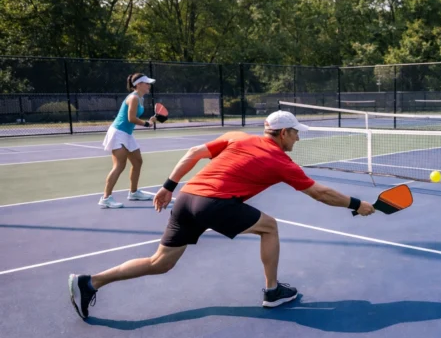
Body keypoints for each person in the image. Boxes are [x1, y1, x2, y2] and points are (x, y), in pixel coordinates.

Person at [68, 110, 376, 320]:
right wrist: (356, 204)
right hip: (213, 203)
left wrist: (168, 187)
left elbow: (192, 153)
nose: (297, 139)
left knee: (160, 263)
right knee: (270, 227)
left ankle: (91, 282)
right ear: (283, 133)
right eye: (296, 134)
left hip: (187, 198)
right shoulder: (281, 161)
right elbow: (320, 193)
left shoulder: (237, 136)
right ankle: (272, 291)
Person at [98, 73, 159, 208]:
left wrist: (149, 121)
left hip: (127, 133)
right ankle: (106, 198)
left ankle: (134, 192)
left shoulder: (140, 98)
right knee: (120, 165)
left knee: (137, 161)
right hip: (118, 132)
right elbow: (131, 118)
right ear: (138, 85)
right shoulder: (133, 98)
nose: (149, 85)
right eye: (146, 83)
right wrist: (147, 124)